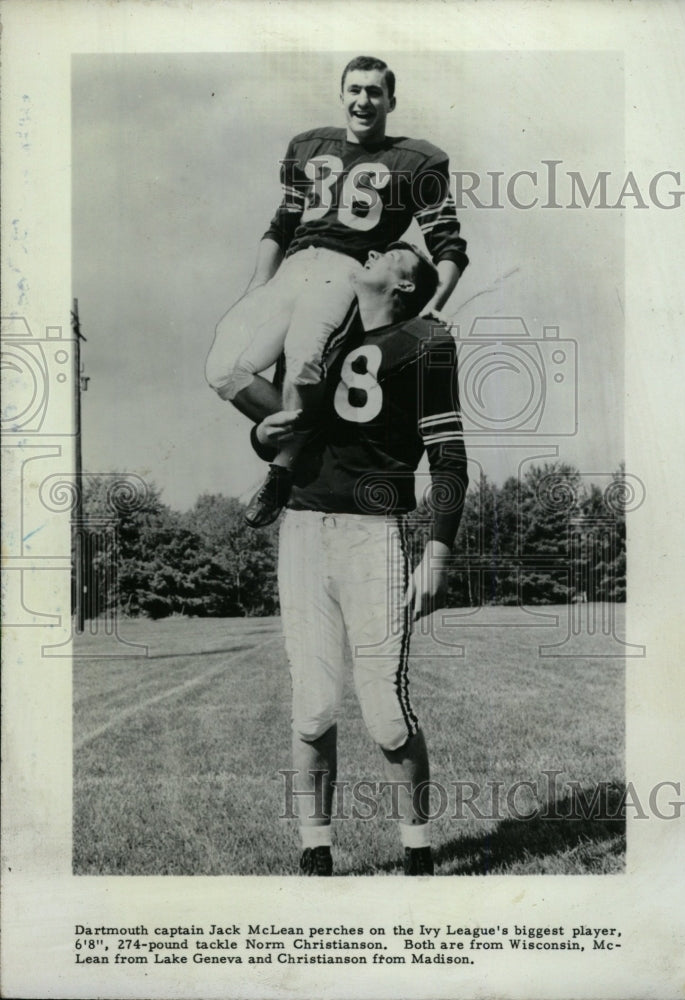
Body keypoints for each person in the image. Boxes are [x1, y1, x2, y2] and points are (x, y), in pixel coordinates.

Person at [251, 241, 468, 875]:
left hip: (375, 531)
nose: (373, 252)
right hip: (304, 527)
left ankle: (418, 853)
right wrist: (260, 435)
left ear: (406, 285)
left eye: (393, 253)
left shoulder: (426, 339)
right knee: (313, 705)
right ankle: (314, 849)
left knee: (387, 715)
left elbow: (449, 458)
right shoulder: (326, 332)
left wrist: (438, 551)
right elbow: (288, 430)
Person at [205, 54, 468, 527]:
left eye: (374, 91)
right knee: (223, 367)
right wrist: (259, 285)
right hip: (292, 270)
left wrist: (433, 307)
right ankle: (309, 437)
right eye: (355, 90)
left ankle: (283, 468)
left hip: (343, 271)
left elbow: (448, 243)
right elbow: (281, 225)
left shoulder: (416, 159)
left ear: (390, 99)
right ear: (342, 94)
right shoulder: (309, 146)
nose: (363, 100)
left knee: (304, 360)